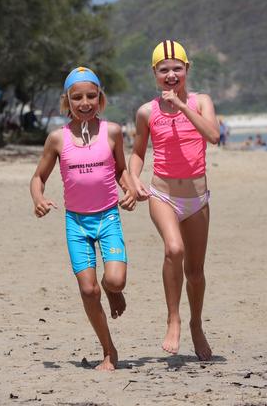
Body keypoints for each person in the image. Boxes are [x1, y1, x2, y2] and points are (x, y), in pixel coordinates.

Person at [30, 66, 136, 370]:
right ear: (67, 101)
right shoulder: (56, 139)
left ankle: (114, 292)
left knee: (115, 280)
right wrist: (38, 198)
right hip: (76, 223)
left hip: (107, 218)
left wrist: (128, 189)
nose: (85, 102)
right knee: (88, 290)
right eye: (77, 97)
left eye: (91, 95)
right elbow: (38, 177)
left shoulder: (112, 132)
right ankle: (108, 351)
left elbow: (120, 170)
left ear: (100, 98)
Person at [129, 40, 219, 359]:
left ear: (187, 70)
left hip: (197, 198)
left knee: (195, 272)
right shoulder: (146, 112)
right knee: (174, 248)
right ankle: (173, 318)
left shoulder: (201, 101)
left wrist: (182, 106)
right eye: (163, 70)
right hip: (163, 194)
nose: (171, 75)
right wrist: (133, 179)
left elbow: (214, 135)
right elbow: (138, 153)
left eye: (176, 69)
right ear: (154, 73)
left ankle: (196, 324)